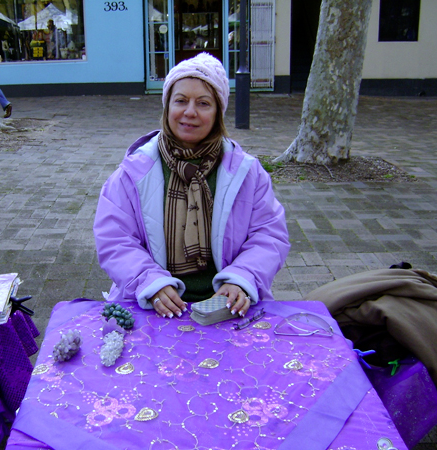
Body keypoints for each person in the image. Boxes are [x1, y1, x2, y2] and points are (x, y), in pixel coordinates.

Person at [94, 53, 290, 319]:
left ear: (218, 111)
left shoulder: (248, 173)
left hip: (228, 309)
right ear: (167, 107)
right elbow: (115, 239)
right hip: (152, 307)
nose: (190, 112)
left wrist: (242, 278)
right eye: (181, 101)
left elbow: (269, 235)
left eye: (203, 103)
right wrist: (149, 282)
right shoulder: (133, 172)